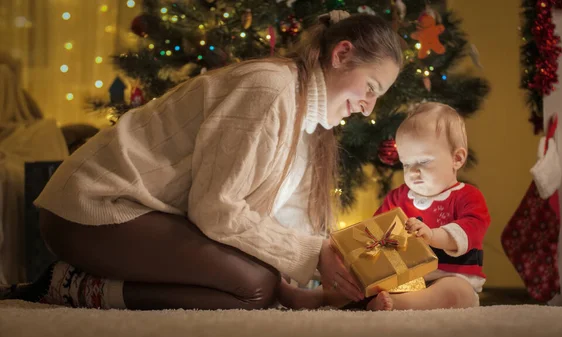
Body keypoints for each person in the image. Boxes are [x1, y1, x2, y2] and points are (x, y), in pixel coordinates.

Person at [0, 10, 403, 310]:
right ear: (342, 53)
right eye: (371, 87)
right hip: (94, 209)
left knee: (263, 282)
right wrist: (312, 255)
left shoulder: (306, 121)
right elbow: (216, 210)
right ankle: (67, 285)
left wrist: (322, 266)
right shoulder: (271, 90)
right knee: (254, 287)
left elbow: (271, 221)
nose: (368, 108)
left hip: (146, 216)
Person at [278, 102, 491, 311]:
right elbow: (375, 230)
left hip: (449, 276)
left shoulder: (467, 196)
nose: (414, 172)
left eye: (424, 162)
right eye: (407, 164)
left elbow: (471, 229)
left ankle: (400, 305)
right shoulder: (398, 197)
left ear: (457, 159)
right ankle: (315, 297)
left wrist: (433, 236)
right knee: (359, 280)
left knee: (457, 292)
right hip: (401, 278)